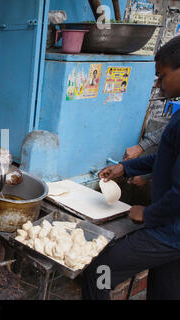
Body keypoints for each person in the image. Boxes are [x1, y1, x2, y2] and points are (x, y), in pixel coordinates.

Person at [82, 36, 180, 300]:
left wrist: (148, 214)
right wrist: (125, 168)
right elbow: (165, 158)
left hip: (170, 232)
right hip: (170, 230)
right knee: (165, 291)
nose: (159, 84)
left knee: (99, 271)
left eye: (162, 76)